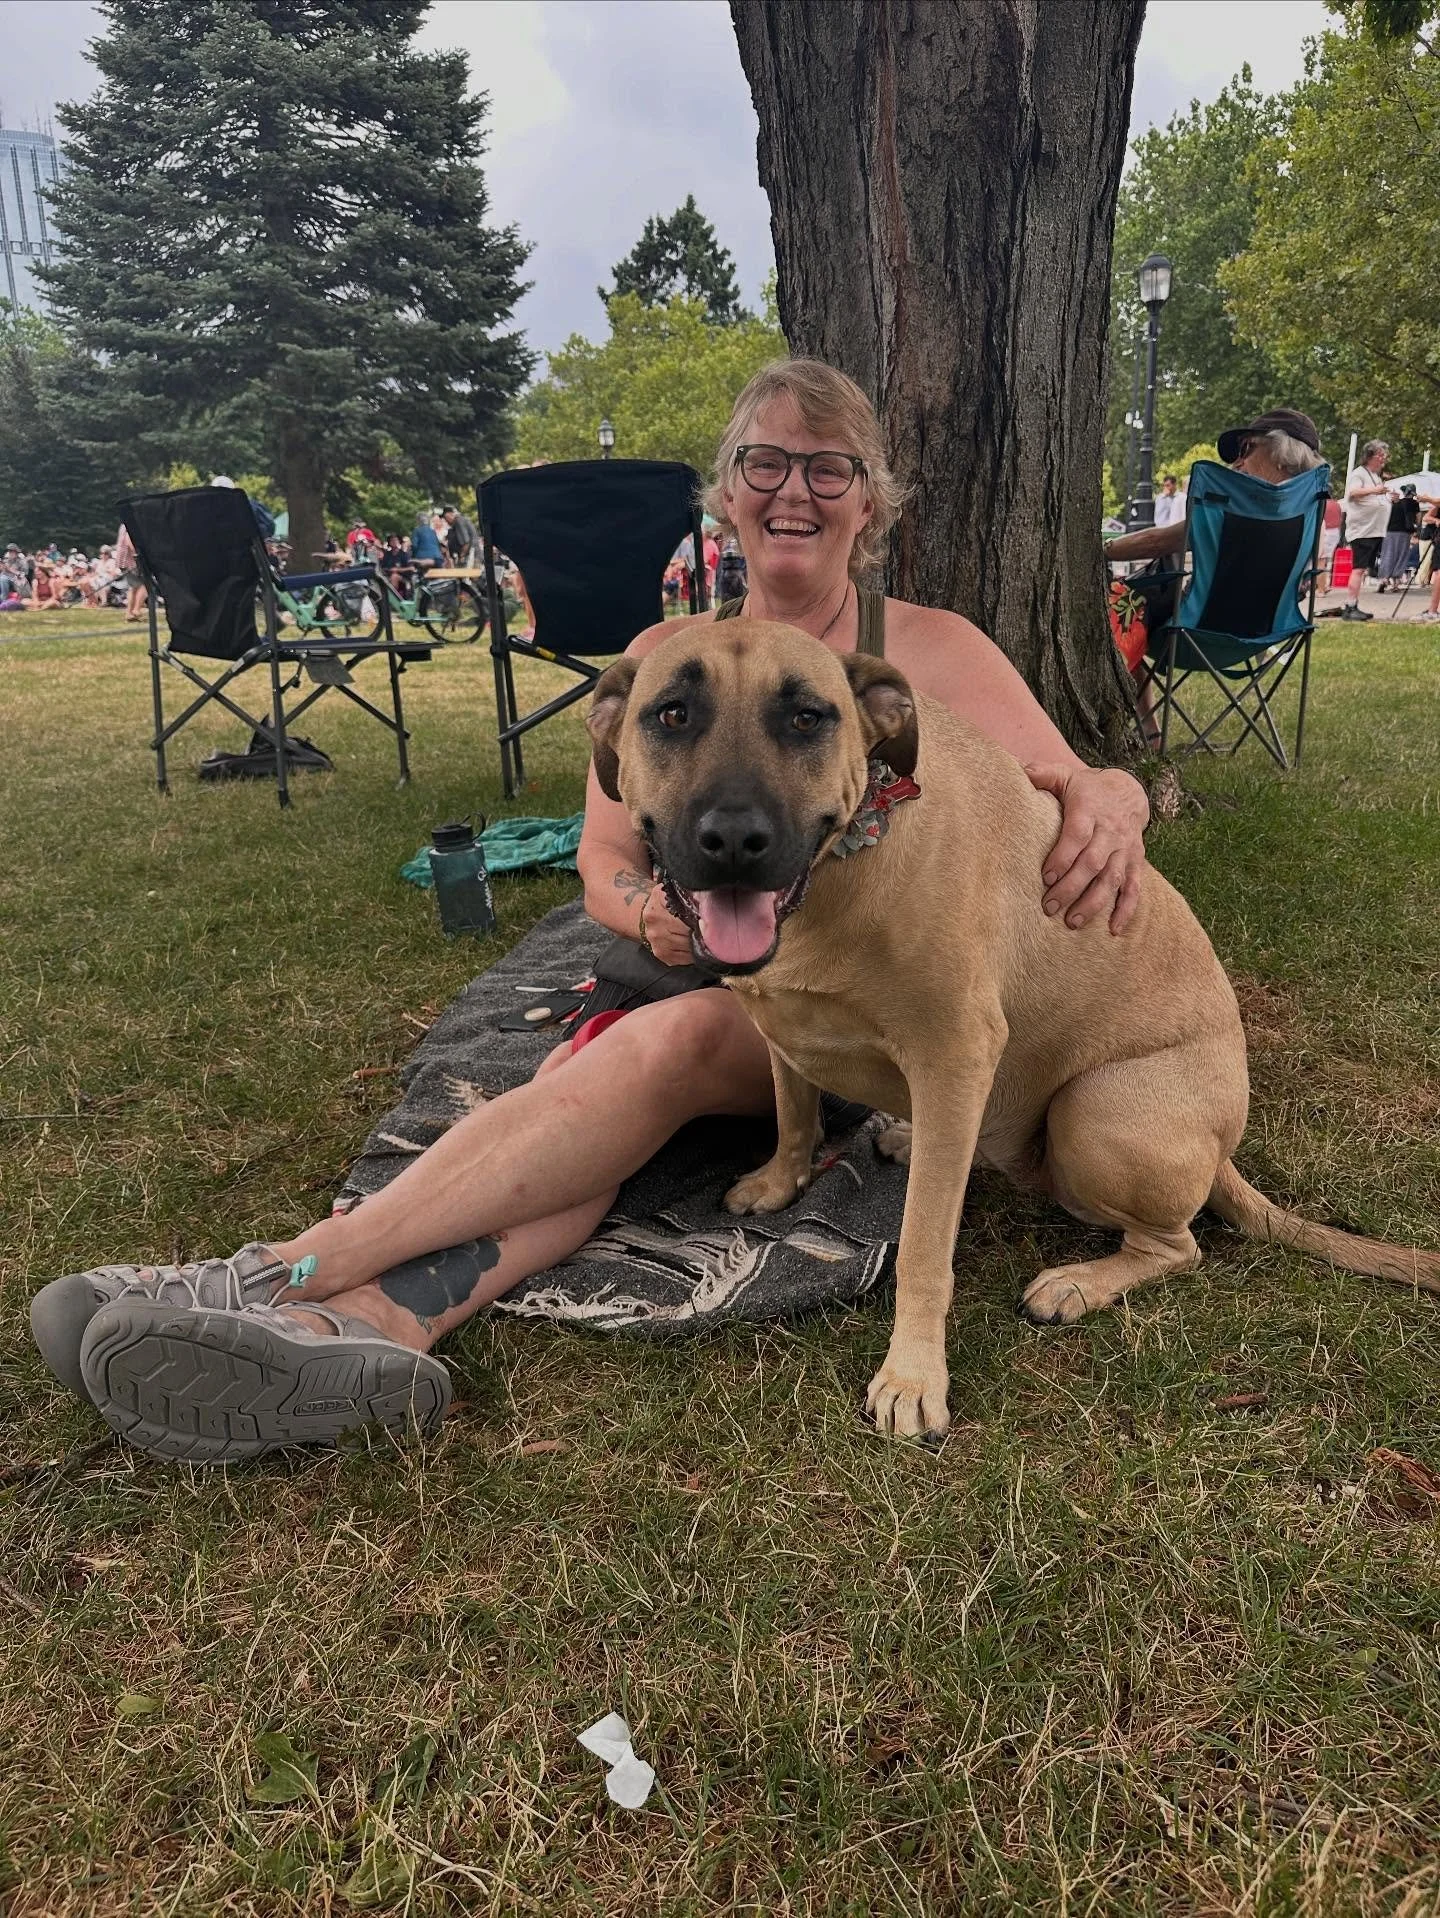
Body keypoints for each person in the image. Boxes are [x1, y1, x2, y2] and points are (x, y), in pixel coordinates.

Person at [30, 358, 1151, 1465]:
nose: (794, 489)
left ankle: (280, 1269)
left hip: (852, 994)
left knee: (652, 1053)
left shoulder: (931, 648)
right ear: (726, 493)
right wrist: (647, 911)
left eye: (829, 466)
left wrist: (1124, 796)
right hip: (712, 955)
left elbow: (1071, 782)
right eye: (765, 462)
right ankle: (373, 1323)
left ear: (871, 502)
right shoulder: (659, 664)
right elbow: (604, 860)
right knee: (587, 1108)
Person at [1340, 440, 1393, 621]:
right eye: (1381, 455)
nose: (1383, 458)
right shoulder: (1359, 474)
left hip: (1373, 530)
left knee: (1362, 569)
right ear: (1371, 456)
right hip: (1362, 531)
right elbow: (1353, 493)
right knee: (1358, 569)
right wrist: (1376, 490)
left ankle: (1354, 604)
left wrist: (1388, 498)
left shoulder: (1375, 476)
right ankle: (1350, 606)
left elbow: (1375, 498)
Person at [1377, 484, 1420, 590]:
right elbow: (1418, 519)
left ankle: (1384, 579)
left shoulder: (1392, 504)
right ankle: (1396, 582)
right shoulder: (1414, 504)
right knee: (1401, 556)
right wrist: (1415, 529)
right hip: (1405, 533)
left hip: (1389, 532)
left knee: (1388, 554)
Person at [410, 508, 445, 574]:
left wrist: (412, 555)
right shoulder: (433, 531)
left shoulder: (417, 531)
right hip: (437, 558)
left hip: (421, 558)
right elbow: (438, 545)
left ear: (418, 521)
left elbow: (414, 545)